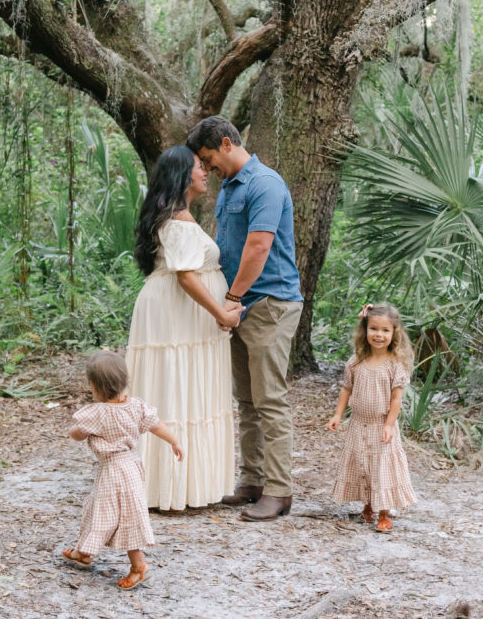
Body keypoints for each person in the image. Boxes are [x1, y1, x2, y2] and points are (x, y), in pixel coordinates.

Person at [186, 116, 303, 522]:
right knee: (247, 400)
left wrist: (232, 298)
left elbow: (258, 246)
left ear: (224, 143)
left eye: (207, 158)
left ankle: (279, 490)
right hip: (238, 306)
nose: (206, 168)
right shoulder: (229, 188)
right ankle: (253, 480)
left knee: (270, 399)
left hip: (269, 303)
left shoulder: (265, 184)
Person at [127, 145, 239, 510]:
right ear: (181, 176)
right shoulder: (176, 220)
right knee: (175, 384)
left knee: (181, 385)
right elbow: (187, 277)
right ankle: (165, 485)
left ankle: (179, 482)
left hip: (181, 314)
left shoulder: (177, 217)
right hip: (178, 312)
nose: (205, 171)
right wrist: (220, 314)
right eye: (198, 167)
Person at [62, 350, 183, 589]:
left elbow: (76, 434)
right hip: (131, 465)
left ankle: (139, 567)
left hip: (114, 470)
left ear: (94, 386)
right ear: (125, 381)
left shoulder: (98, 413)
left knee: (122, 516)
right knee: (99, 509)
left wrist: (79, 430)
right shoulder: (136, 407)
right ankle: (83, 552)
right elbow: (156, 426)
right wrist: (174, 441)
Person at [327, 303, 416, 533]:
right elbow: (346, 389)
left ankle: (384, 512)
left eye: (385, 330)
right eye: (374, 329)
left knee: (381, 468)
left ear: (394, 333)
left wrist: (389, 424)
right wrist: (338, 414)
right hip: (358, 423)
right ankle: (368, 505)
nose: (379, 335)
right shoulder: (356, 361)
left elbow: (396, 399)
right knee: (363, 465)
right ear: (364, 330)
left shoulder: (395, 365)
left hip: (381, 426)